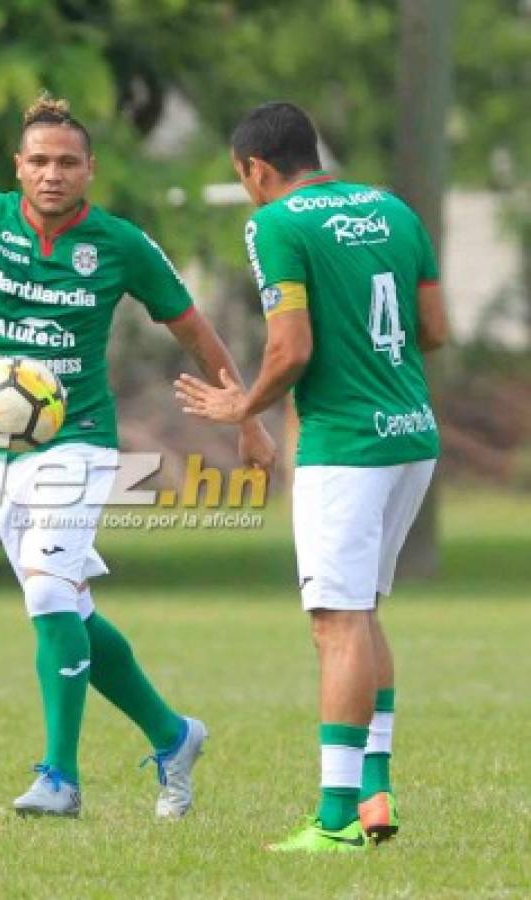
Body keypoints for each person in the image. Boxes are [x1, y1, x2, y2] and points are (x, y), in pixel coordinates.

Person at [0, 95, 275, 819]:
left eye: (66, 162)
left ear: (89, 170)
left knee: (50, 593)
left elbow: (196, 332)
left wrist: (243, 415)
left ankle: (59, 777)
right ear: (17, 168)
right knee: (63, 604)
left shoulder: (119, 244)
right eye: (39, 161)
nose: (52, 174)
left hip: (80, 438)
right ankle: (172, 734)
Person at [175, 101, 448, 852]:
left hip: (345, 445)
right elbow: (434, 330)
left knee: (334, 622)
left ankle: (332, 822)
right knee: (360, 611)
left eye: (245, 180)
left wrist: (242, 407)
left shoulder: (275, 224)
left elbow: (289, 349)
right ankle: (373, 789)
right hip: (410, 435)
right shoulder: (393, 209)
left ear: (255, 170)